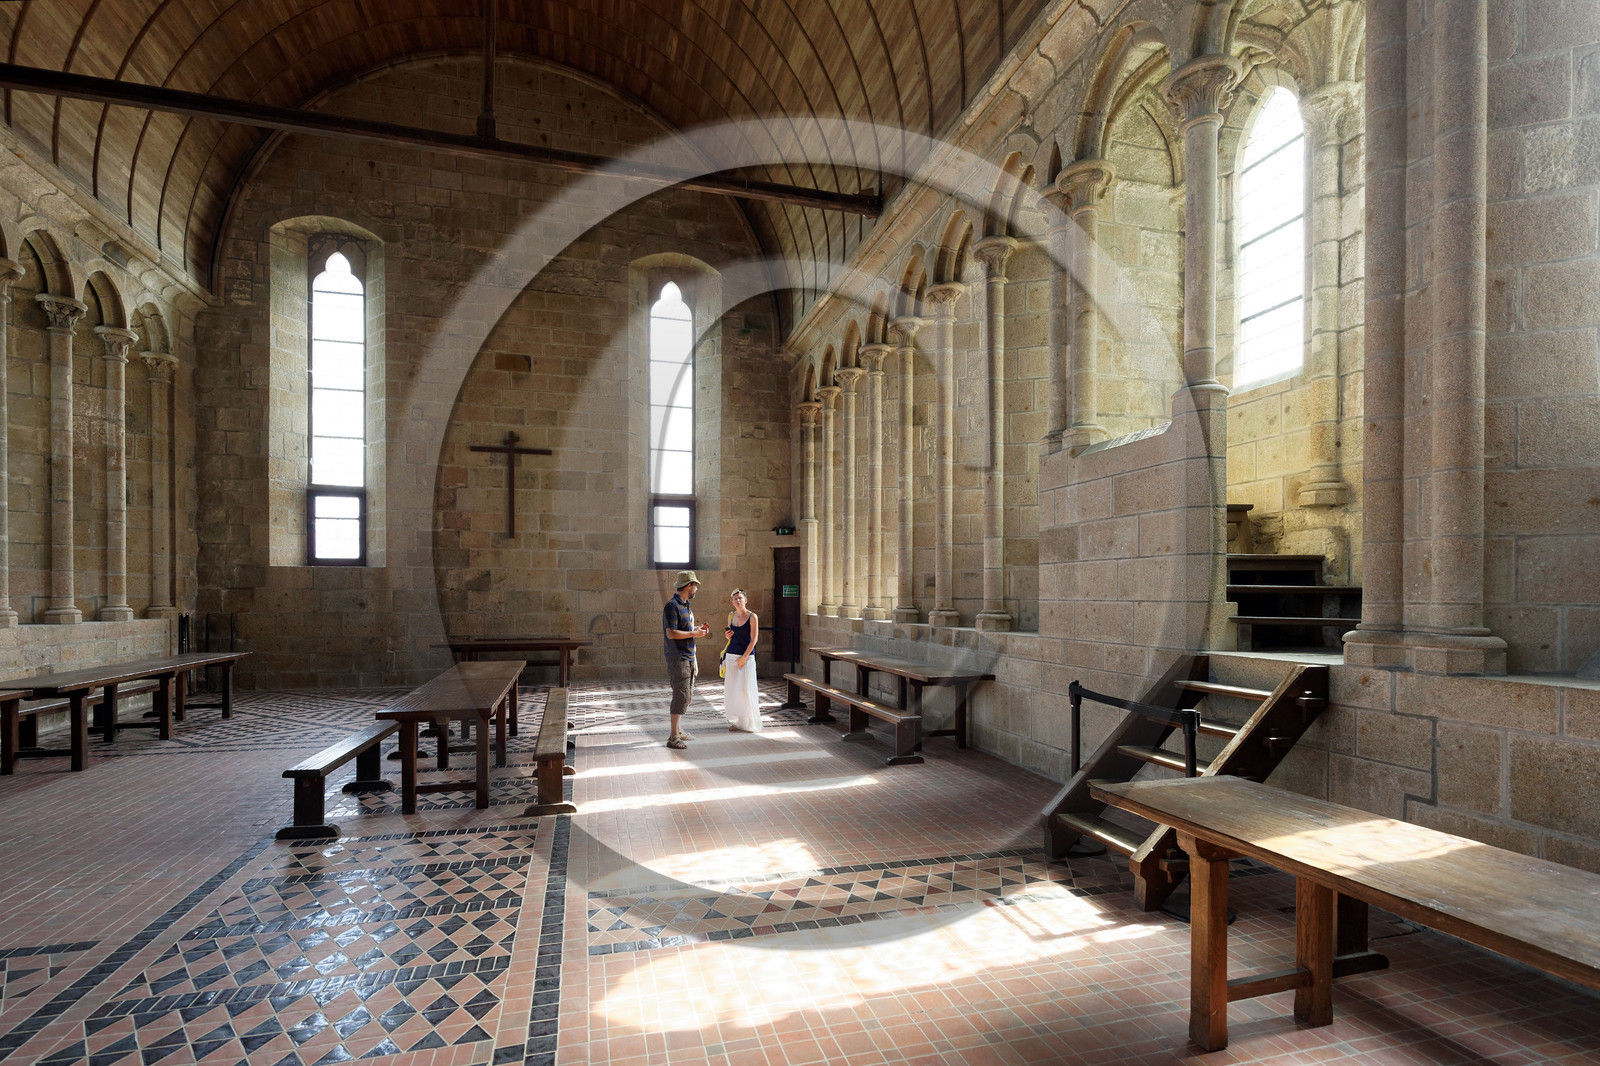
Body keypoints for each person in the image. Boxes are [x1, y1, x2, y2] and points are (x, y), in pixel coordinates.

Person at [663, 570, 710, 749]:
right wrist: (694, 633)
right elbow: (671, 633)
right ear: (689, 585)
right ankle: (673, 736)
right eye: (695, 585)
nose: (696, 589)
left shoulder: (686, 604)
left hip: (690, 656)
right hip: (678, 658)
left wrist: (695, 629)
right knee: (680, 696)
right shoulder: (672, 606)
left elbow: (683, 629)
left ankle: (678, 729)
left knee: (687, 696)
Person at [721, 589, 761, 732]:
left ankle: (749, 722)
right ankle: (737, 721)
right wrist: (727, 636)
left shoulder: (752, 617)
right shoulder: (731, 615)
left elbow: (754, 639)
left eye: (740, 598)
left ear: (746, 600)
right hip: (731, 656)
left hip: (747, 657)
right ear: (732, 602)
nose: (738, 601)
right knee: (733, 690)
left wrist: (744, 658)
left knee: (746, 689)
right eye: (735, 599)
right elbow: (730, 637)